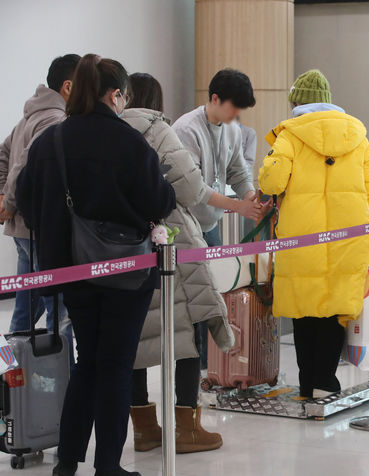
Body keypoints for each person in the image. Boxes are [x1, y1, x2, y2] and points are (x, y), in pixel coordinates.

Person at [16, 54, 175, 476]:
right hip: (126, 271)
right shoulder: (127, 141)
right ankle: (108, 466)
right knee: (116, 365)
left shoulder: (52, 141)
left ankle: (67, 462)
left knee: (87, 361)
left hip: (72, 271)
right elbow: (160, 201)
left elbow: (27, 200)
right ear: (115, 94)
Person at [123, 73, 236, 454]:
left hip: (122, 247)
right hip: (169, 242)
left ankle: (143, 429)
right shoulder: (158, 129)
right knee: (186, 330)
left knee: (135, 338)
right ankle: (186, 427)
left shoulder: (109, 130)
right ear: (157, 100)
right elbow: (190, 188)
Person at [259, 69, 369, 399]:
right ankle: (325, 383)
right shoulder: (358, 136)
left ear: (298, 102)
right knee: (334, 311)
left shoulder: (290, 135)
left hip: (302, 240)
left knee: (304, 312)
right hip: (349, 239)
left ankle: (307, 383)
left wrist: (272, 159)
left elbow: (270, 183)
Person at [173, 68, 265, 369]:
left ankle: (212, 368)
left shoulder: (231, 129)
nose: (237, 113)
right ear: (215, 98)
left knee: (213, 298)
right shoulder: (186, 130)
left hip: (209, 225)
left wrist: (250, 196)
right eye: (233, 106)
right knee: (193, 303)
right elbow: (194, 189)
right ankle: (195, 368)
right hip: (184, 227)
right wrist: (237, 206)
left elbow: (238, 171)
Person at [0, 54, 79, 366]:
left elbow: (3, 154)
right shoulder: (54, 120)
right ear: (69, 86)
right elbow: (21, 164)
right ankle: (65, 379)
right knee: (59, 310)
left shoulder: (33, 114)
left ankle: (9, 373)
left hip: (24, 232)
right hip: (38, 231)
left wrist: (5, 197)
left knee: (24, 312)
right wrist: (8, 201)